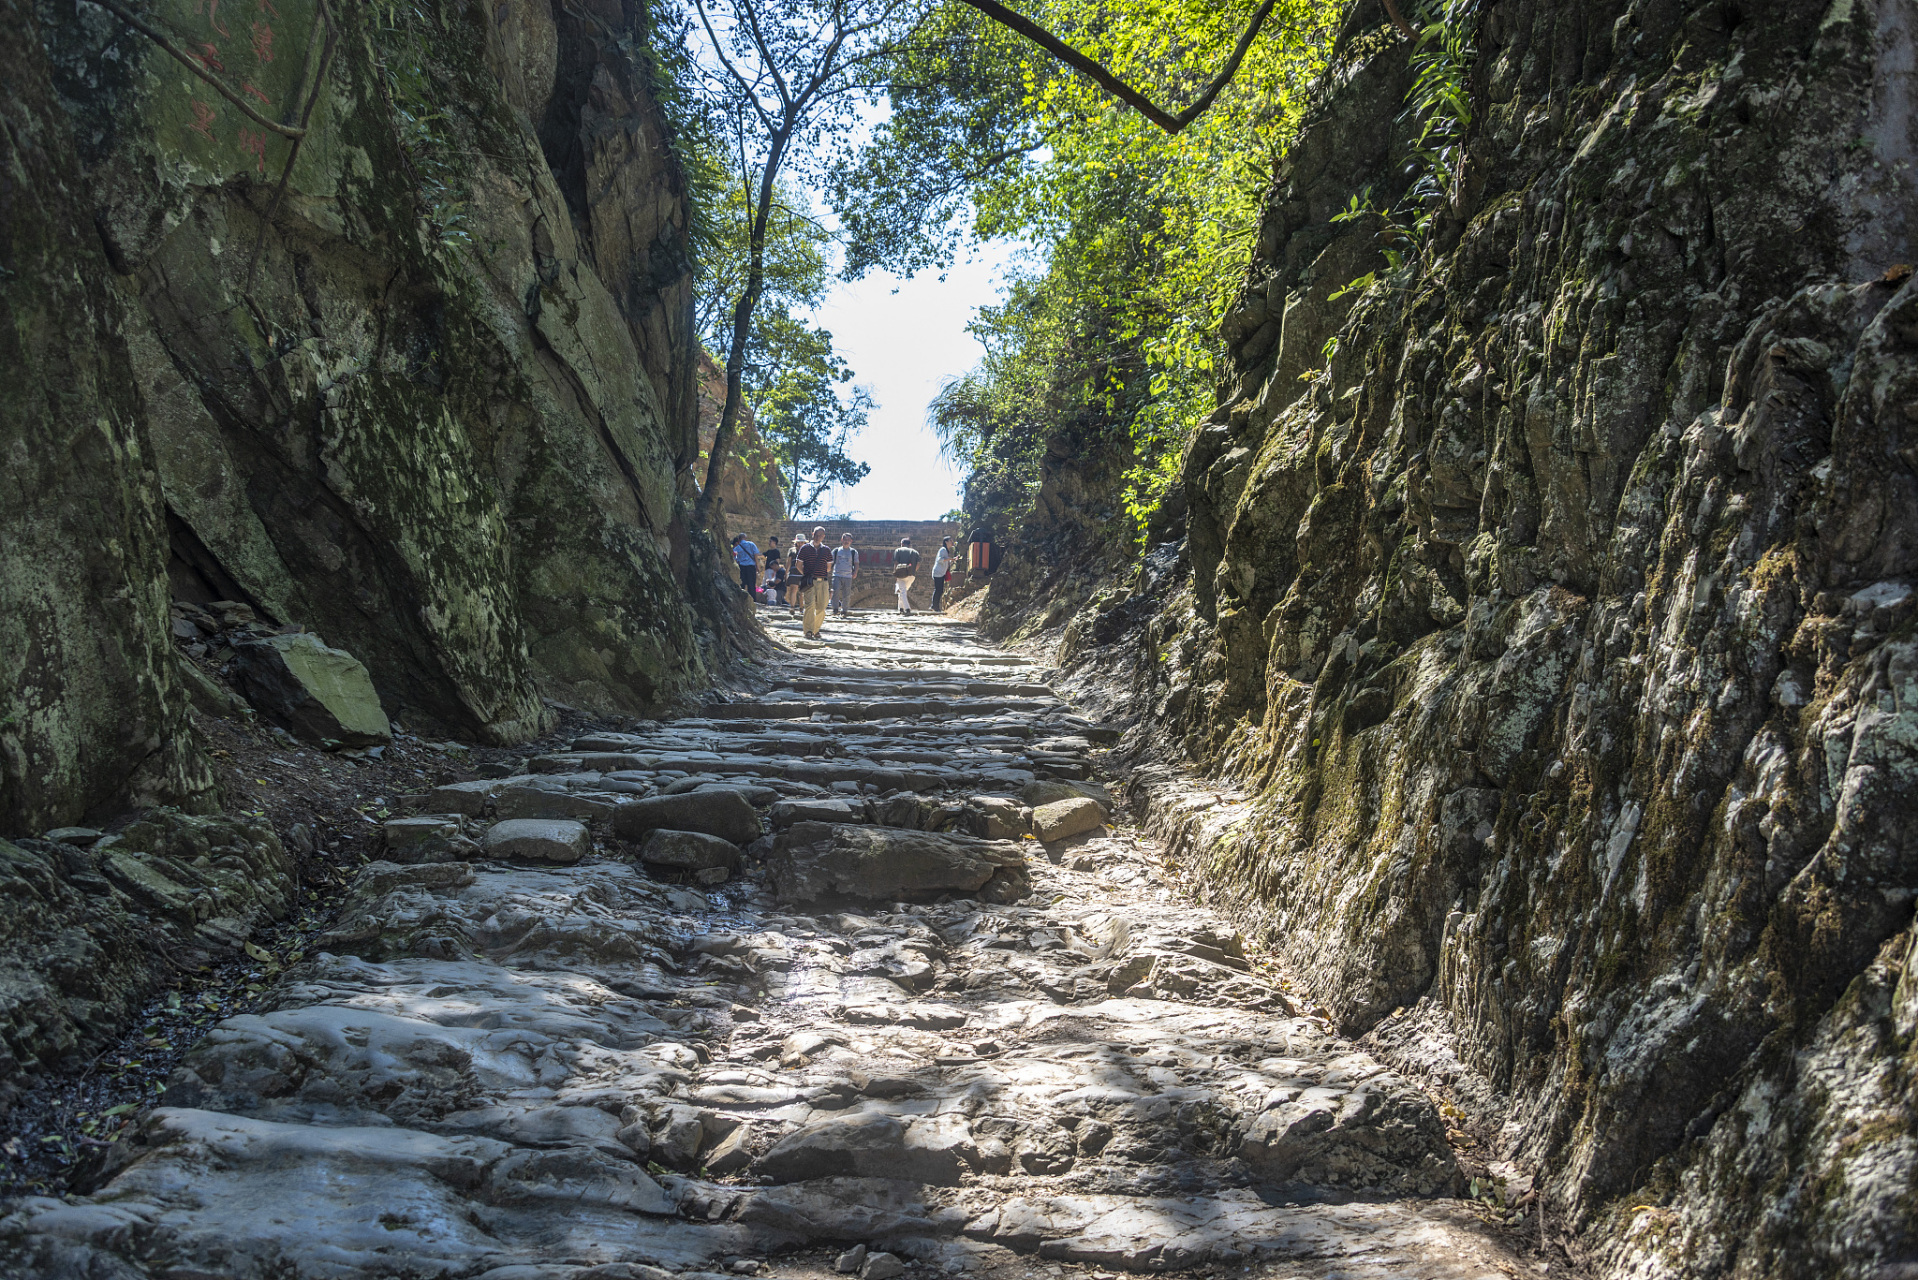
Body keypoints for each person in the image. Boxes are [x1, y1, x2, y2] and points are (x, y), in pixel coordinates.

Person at [795, 526, 833, 639]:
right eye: (816, 535)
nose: (818, 537)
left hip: (823, 582)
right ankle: (808, 631)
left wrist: (820, 572)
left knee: (822, 607)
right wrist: (806, 574)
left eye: (821, 535)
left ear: (823, 537)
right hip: (810, 582)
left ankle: (815, 629)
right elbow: (798, 564)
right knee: (810, 605)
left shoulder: (826, 550)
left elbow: (829, 567)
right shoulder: (805, 548)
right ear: (812, 534)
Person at [831, 533, 859, 617]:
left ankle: (844, 610)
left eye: (848, 540)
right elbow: (831, 562)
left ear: (851, 541)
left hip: (848, 575)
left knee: (846, 593)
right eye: (845, 539)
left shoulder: (853, 552)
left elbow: (856, 563)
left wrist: (855, 572)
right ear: (841, 540)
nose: (846, 541)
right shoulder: (836, 551)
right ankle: (835, 608)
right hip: (837, 574)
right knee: (835, 591)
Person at [891, 536, 921, 614]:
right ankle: (900, 608)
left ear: (902, 544)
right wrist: (913, 571)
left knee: (902, 591)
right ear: (909, 545)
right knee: (903, 590)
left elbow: (896, 563)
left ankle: (907, 608)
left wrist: (895, 573)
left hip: (901, 573)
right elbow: (918, 564)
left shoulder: (898, 550)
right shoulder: (915, 552)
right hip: (911, 575)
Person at [930, 536, 954, 611]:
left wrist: (951, 560)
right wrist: (949, 559)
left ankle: (934, 606)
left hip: (941, 573)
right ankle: (934, 606)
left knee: (939, 590)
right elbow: (940, 560)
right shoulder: (943, 549)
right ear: (946, 542)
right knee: (938, 590)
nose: (952, 542)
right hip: (938, 572)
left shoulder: (946, 550)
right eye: (950, 540)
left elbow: (945, 561)